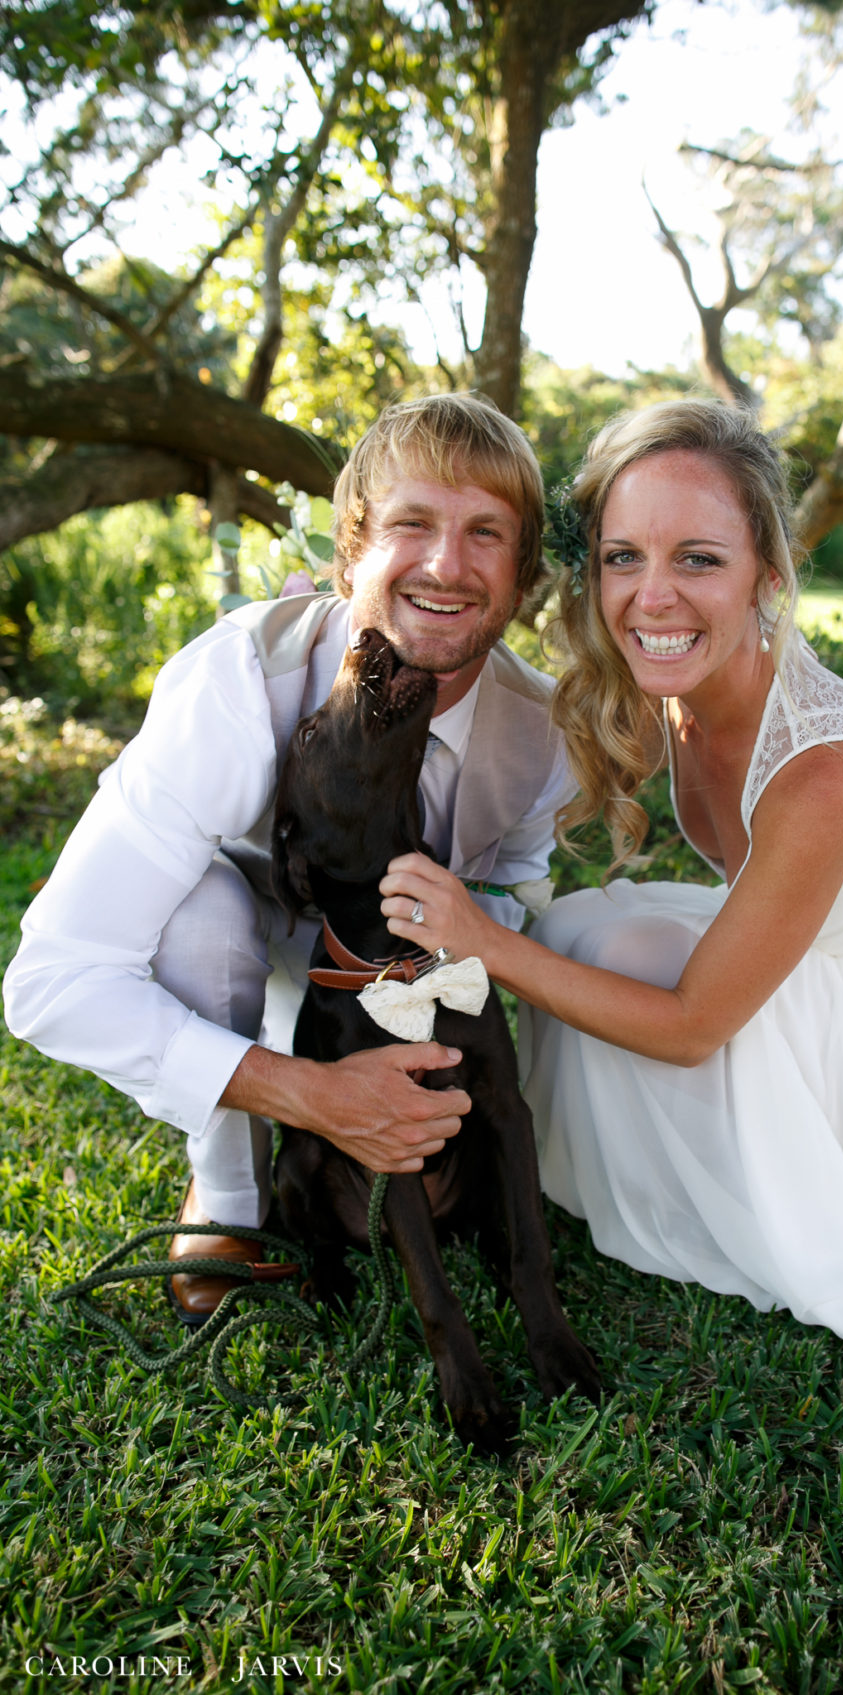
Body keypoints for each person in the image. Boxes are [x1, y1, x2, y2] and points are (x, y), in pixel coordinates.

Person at [378, 398, 843, 1470]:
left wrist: (480, 940)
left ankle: (741, 1174)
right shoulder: (671, 685)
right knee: (593, 928)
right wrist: (358, 625)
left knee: (590, 959)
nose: (653, 595)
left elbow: (689, 1027)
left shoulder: (824, 773)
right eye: (622, 557)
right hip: (797, 950)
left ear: (766, 573)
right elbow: (530, 710)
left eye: (697, 558)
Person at [3, 393, 575, 1322]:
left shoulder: (543, 733)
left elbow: (512, 886)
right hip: (249, 946)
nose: (446, 564)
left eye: (486, 533)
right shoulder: (233, 686)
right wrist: (310, 1092)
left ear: (521, 576)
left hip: (381, 971)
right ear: (351, 550)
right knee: (198, 917)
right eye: (412, 523)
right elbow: (52, 982)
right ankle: (231, 1197)